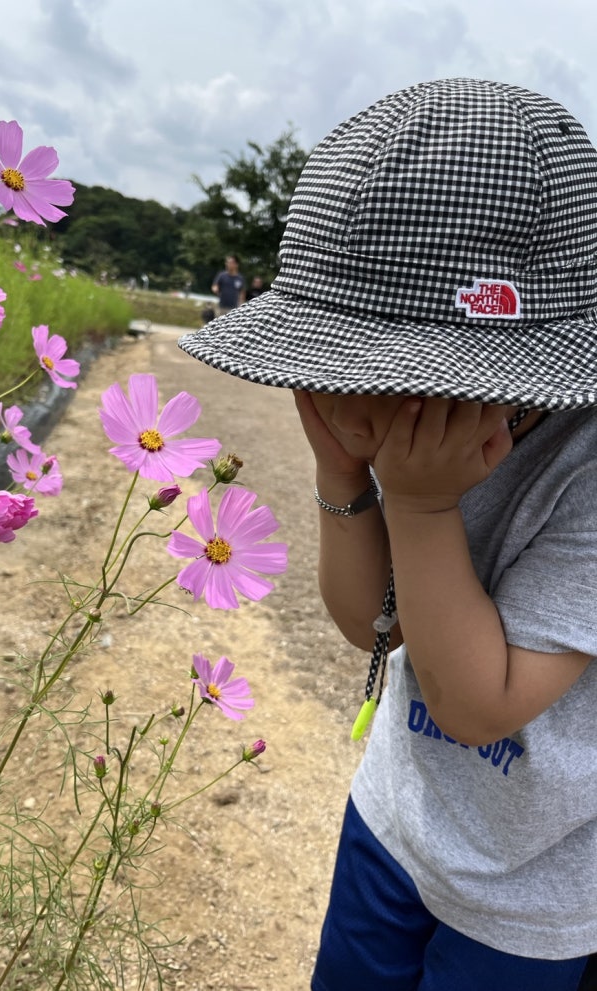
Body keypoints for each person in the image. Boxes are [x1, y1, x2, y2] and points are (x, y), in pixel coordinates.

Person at [178, 78, 597, 991]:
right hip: (394, 815)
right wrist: (342, 477)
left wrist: (420, 505)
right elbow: (375, 621)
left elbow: (478, 704)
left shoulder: (581, 468)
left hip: (529, 893)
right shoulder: (415, 430)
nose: (350, 387)